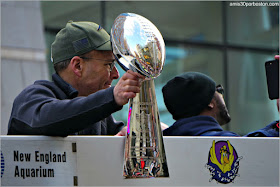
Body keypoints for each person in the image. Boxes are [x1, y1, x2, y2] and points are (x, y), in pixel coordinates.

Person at [7, 20, 145, 136]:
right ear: (78, 66)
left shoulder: (97, 112)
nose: (115, 74)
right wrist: (112, 97)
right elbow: (51, 118)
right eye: (108, 65)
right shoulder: (30, 100)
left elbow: (119, 131)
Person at [162, 72, 239, 136]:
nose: (222, 96)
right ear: (210, 102)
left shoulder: (161, 146)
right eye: (219, 91)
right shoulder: (231, 144)